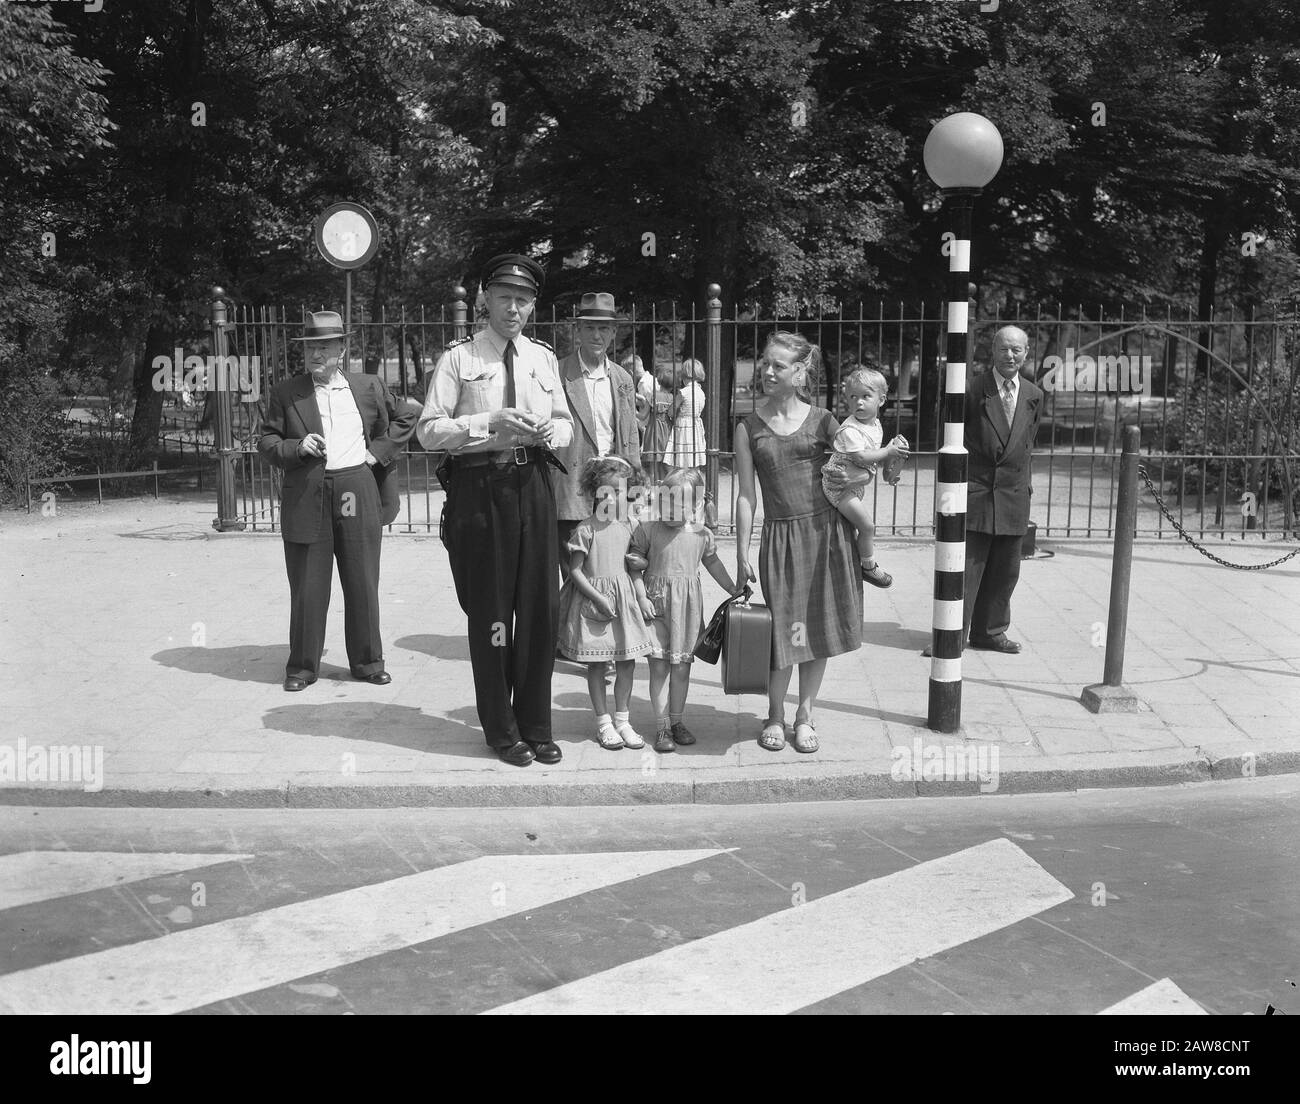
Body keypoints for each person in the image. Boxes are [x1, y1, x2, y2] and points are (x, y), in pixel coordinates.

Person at [416, 253, 574, 766]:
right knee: (491, 611)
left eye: (523, 300)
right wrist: (487, 425)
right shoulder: (459, 359)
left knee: (538, 609)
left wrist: (554, 430)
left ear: (533, 306)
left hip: (534, 484)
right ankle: (501, 730)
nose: (514, 308)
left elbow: (566, 423)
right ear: (485, 298)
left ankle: (536, 724)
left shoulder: (542, 358)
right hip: (480, 487)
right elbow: (428, 430)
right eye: (505, 297)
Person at [258, 311, 417, 691]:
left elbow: (408, 415)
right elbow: (266, 442)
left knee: (362, 580)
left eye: (325, 346)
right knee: (308, 585)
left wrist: (377, 453)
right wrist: (297, 447)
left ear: (342, 349)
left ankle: (367, 661)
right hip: (309, 493)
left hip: (356, 487)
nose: (316, 353)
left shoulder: (368, 387)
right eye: (311, 346)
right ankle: (302, 667)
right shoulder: (287, 391)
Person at [734, 331, 862, 754]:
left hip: (826, 536)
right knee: (786, 632)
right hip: (782, 539)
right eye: (765, 363)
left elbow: (859, 468)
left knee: (818, 630)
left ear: (800, 372)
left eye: (778, 365)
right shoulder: (748, 426)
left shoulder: (824, 420)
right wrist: (741, 552)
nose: (767, 372)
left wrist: (856, 478)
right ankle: (775, 713)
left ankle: (805, 714)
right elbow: (746, 495)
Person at [627, 467, 738, 754]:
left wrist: (733, 589)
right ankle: (662, 725)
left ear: (695, 506)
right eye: (664, 502)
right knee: (660, 669)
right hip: (657, 609)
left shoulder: (702, 535)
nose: (669, 510)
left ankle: (677, 721)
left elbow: (713, 564)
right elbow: (634, 564)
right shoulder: (647, 529)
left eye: (678, 505)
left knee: (682, 670)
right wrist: (641, 597)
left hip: (687, 611)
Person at [557, 456, 654, 750]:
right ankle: (603, 722)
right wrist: (597, 597)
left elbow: (635, 564)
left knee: (627, 664)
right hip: (594, 604)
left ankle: (623, 720)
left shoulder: (631, 526)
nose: (614, 496)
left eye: (621, 490)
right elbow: (574, 571)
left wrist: (642, 570)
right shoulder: (585, 529)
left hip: (623, 604)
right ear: (593, 491)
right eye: (607, 490)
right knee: (597, 665)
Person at [964, 325, 1043, 654]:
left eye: (1017, 350)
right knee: (966, 567)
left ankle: (990, 632)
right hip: (977, 490)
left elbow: (1026, 443)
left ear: (1026, 353)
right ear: (992, 352)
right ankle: (951, 634)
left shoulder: (1035, 394)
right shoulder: (971, 389)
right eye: (1003, 349)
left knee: (1005, 569)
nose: (1010, 355)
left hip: (1013, 493)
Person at [553, 292, 641, 583]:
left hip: (613, 488)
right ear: (578, 330)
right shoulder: (557, 372)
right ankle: (571, 628)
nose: (596, 334)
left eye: (603, 328)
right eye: (589, 327)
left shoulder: (622, 378)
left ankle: (608, 626)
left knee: (611, 567)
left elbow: (629, 435)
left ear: (614, 333)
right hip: (572, 487)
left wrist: (635, 487)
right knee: (574, 572)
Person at [820, 367, 910, 588]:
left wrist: (891, 466)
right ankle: (868, 567)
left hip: (854, 484)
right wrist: (888, 452)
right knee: (867, 526)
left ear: (881, 400)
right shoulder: (850, 430)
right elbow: (862, 456)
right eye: (853, 397)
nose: (858, 402)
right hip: (839, 488)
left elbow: (873, 460)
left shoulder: (874, 425)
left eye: (865, 396)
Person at [666, 358, 707, 468]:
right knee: (694, 462)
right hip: (696, 425)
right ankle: (698, 485)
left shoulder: (683, 392)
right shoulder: (700, 392)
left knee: (681, 460)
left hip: (684, 426)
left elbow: (671, 412)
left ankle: (681, 484)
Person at [641, 364, 675, 481]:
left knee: (652, 469)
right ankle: (667, 489)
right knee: (666, 466)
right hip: (668, 432)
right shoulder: (673, 398)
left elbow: (642, 415)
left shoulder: (652, 395)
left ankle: (653, 492)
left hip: (654, 432)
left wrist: (632, 412)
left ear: (659, 381)